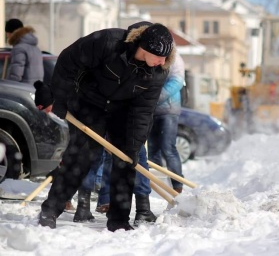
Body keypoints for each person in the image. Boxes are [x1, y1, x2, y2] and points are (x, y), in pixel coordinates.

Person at [35, 21, 175, 232]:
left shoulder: (158, 71)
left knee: (126, 161)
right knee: (80, 158)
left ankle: (119, 221)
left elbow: (144, 110)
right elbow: (68, 61)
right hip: (90, 102)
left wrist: (134, 145)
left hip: (123, 111)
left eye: (166, 57)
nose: (162, 61)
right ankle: (50, 211)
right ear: (144, 48)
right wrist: (59, 99)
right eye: (159, 56)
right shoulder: (108, 42)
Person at [147, 52, 185, 193]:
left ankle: (177, 185)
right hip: (151, 110)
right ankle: (156, 184)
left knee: (168, 148)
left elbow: (177, 81)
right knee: (152, 149)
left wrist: (155, 97)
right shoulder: (151, 56)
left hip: (169, 110)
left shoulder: (175, 58)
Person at [5, 18, 44, 84]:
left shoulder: (19, 49)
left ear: (10, 33)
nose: (7, 36)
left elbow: (15, 76)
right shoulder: (36, 48)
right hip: (34, 90)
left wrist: (7, 87)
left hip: (22, 90)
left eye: (7, 33)